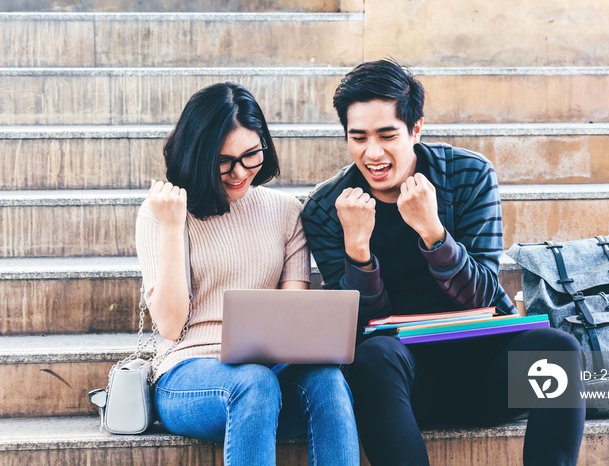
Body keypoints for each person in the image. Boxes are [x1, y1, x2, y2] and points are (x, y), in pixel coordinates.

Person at [301, 59, 585, 465]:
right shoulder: (328, 209)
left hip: (488, 372)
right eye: (358, 137)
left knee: (556, 348)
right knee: (373, 356)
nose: (373, 153)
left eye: (387, 135)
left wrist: (433, 233)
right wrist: (358, 253)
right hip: (400, 389)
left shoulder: (469, 176)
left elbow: (484, 294)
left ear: (416, 129)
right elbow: (356, 327)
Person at [135, 82, 359, 465]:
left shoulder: (285, 212)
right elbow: (170, 326)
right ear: (199, 154)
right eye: (223, 160)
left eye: (251, 155)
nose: (239, 172)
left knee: (328, 381)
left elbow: (292, 323)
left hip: (267, 378)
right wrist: (174, 227)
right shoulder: (162, 213)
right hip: (187, 379)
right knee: (253, 383)